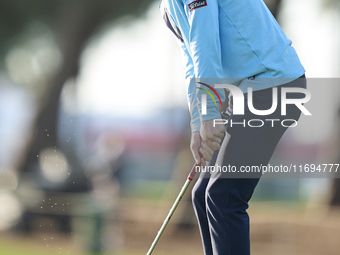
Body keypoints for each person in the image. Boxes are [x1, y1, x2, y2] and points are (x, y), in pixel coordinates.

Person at [159, 0, 306, 254]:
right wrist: (198, 124)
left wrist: (209, 112)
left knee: (223, 197)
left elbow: (205, 41)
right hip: (250, 91)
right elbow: (191, 58)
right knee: (203, 194)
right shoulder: (167, 5)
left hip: (275, 85)